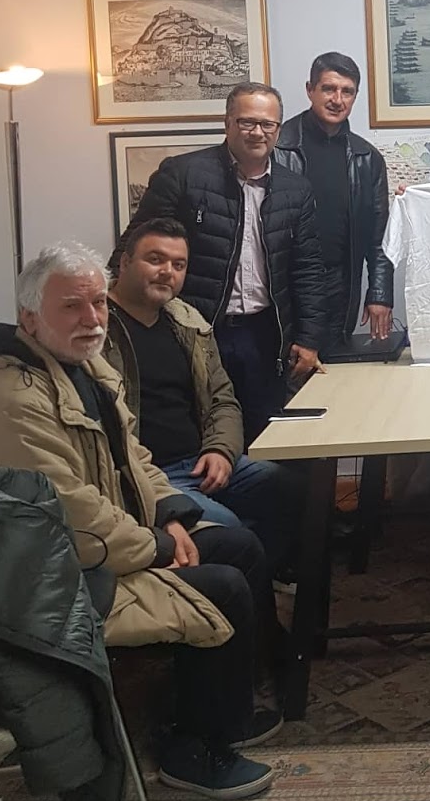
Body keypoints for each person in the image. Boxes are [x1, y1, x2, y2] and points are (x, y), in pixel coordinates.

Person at [0, 243, 282, 799]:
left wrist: (171, 515)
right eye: (71, 306)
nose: (92, 318)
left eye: (98, 303)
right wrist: (156, 545)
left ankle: (223, 708)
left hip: (109, 544)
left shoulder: (86, 367)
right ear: (29, 318)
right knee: (221, 584)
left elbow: (136, 461)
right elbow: (70, 519)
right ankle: (191, 750)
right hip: (57, 579)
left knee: (240, 546)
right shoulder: (13, 398)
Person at [129, 82, 328, 445]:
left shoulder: (295, 189)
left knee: (263, 435)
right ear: (228, 123)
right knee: (200, 430)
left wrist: (309, 338)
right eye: (247, 122)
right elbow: (136, 246)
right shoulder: (184, 174)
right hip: (197, 329)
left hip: (265, 335)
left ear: (278, 129)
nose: (257, 132)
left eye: (267, 124)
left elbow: (308, 268)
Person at [105, 216, 301, 571]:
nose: (167, 272)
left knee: (292, 489)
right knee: (230, 529)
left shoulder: (186, 321)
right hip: (151, 473)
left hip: (200, 459)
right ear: (125, 262)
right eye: (155, 259)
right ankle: (244, 584)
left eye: (178, 265)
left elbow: (222, 398)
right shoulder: (96, 327)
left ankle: (271, 579)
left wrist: (220, 450)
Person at [274, 51, 393, 352]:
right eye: (328, 88)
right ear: (310, 90)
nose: (337, 100)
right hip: (284, 284)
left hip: (339, 285)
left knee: (334, 369)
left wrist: (379, 293)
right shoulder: (277, 147)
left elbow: (379, 236)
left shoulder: (368, 158)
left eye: (347, 91)